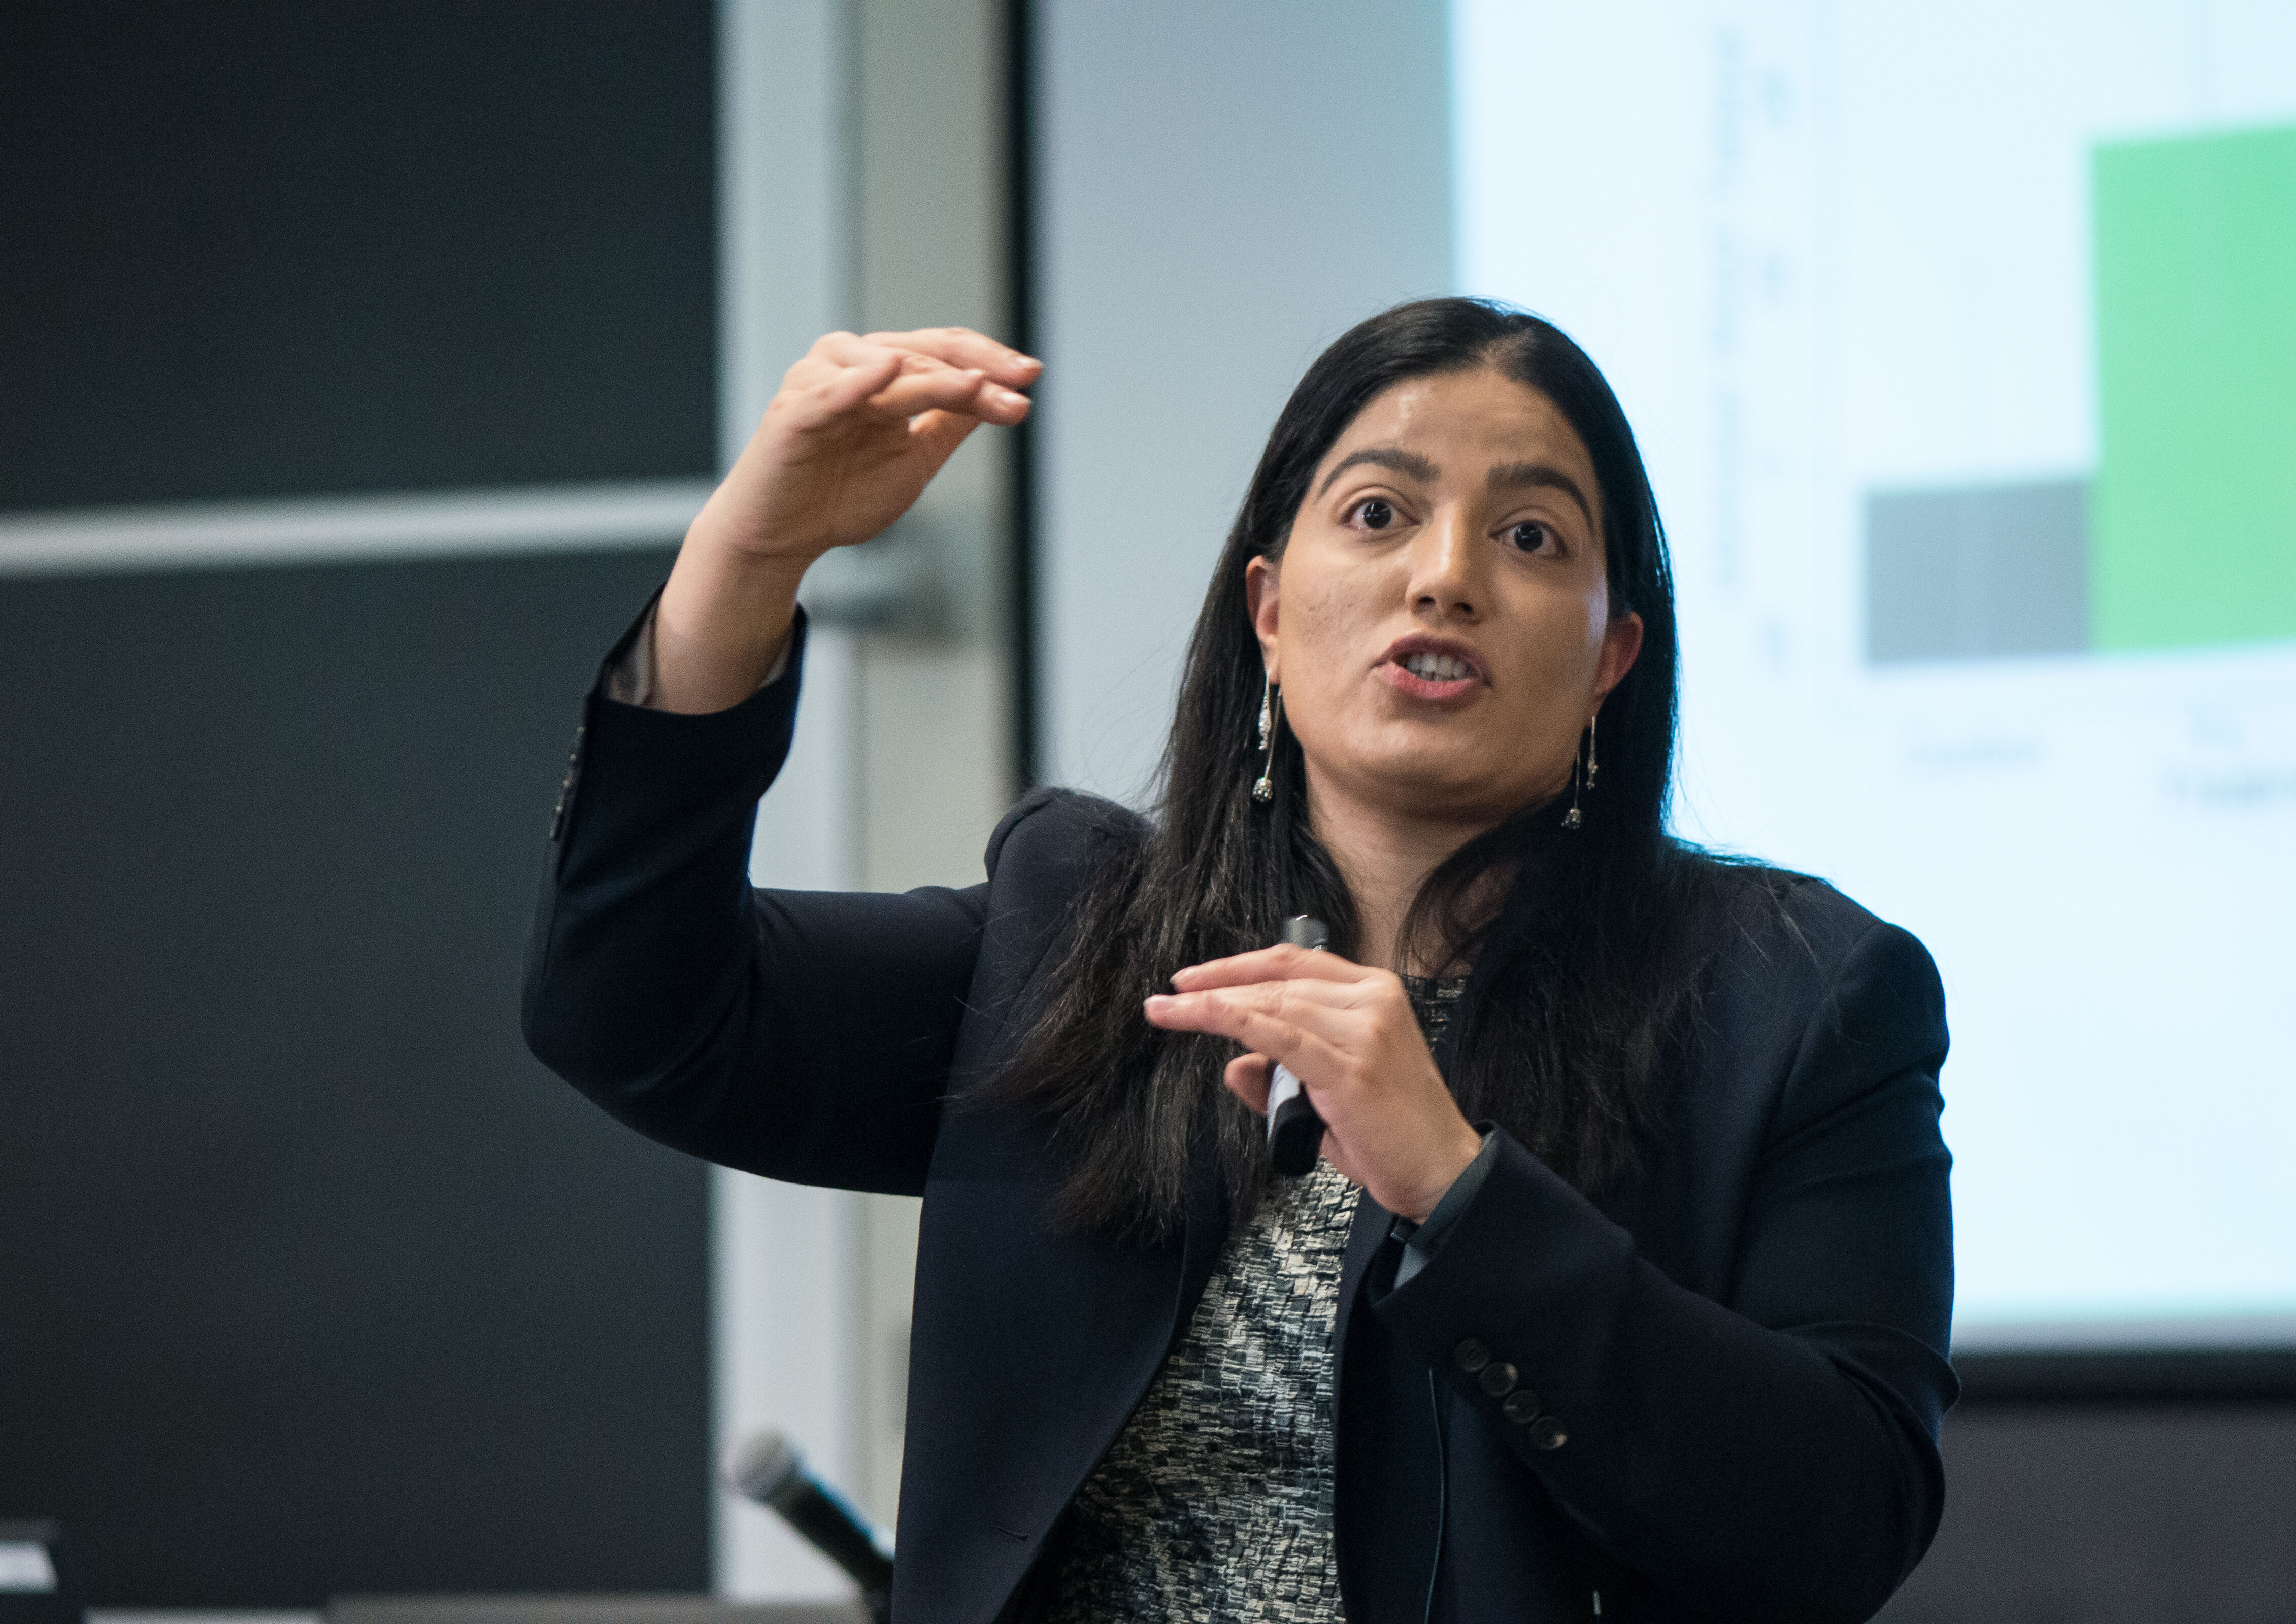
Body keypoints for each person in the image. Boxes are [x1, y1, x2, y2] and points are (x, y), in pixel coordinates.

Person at [523, 298, 1955, 1624]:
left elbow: (1843, 1521)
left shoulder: (1795, 1001)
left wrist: (1462, 1194)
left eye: (1531, 538)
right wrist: (750, 559)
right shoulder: (1075, 944)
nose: (1447, 576)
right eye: (1380, 514)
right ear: (1268, 611)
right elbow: (631, 1008)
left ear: (1611, 660)